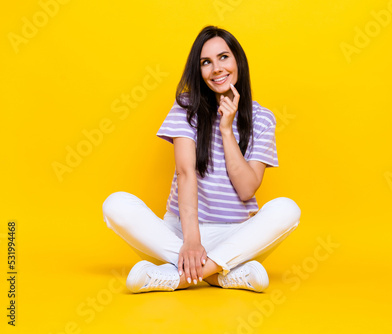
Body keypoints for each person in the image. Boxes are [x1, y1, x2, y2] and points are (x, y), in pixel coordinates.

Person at [102, 25, 301, 293]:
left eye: (223, 57)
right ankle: (221, 274)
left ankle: (178, 277)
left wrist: (226, 129)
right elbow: (186, 172)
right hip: (180, 233)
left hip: (235, 235)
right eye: (206, 62)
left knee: (288, 209)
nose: (216, 68)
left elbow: (246, 189)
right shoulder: (186, 107)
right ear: (199, 71)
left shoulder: (262, 118)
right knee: (115, 205)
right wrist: (191, 241)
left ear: (237, 60)